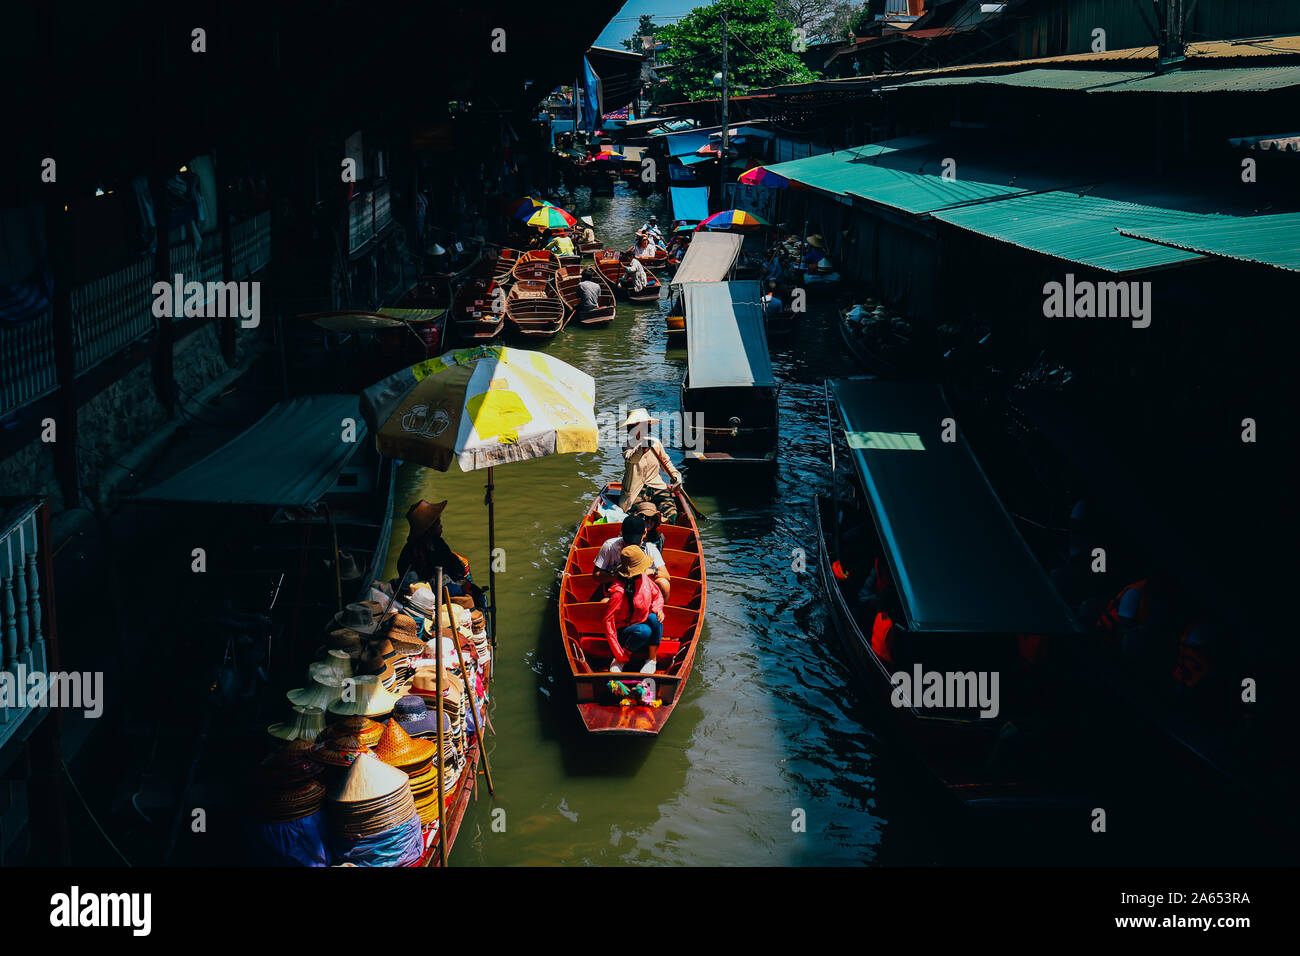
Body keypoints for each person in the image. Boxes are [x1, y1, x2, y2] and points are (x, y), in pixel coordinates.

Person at [395, 499, 482, 609]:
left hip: (443, 584)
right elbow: (415, 580)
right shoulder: (412, 552)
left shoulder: (438, 543)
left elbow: (456, 567)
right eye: (438, 523)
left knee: (474, 592)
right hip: (428, 594)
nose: (441, 526)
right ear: (429, 528)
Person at [602, 546, 664, 674]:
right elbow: (608, 623)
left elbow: (657, 595)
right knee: (644, 631)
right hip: (624, 631)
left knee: (655, 619)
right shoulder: (618, 592)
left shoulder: (644, 578)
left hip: (640, 620)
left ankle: (652, 659)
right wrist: (619, 654)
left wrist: (658, 609)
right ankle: (622, 659)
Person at [619, 407, 682, 523]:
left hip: (657, 487)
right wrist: (642, 447)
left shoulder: (655, 443)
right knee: (639, 517)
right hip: (636, 491)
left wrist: (676, 476)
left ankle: (665, 524)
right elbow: (631, 458)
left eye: (643, 425)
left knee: (672, 514)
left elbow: (666, 463)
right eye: (637, 426)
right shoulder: (627, 445)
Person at [594, 513, 670, 598]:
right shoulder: (609, 545)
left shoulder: (651, 549)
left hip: (642, 589)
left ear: (644, 533)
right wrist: (618, 576)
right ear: (621, 533)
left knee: (664, 583)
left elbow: (666, 576)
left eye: (636, 542)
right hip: (618, 589)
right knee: (605, 601)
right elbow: (596, 574)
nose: (630, 545)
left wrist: (652, 572)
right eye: (627, 541)